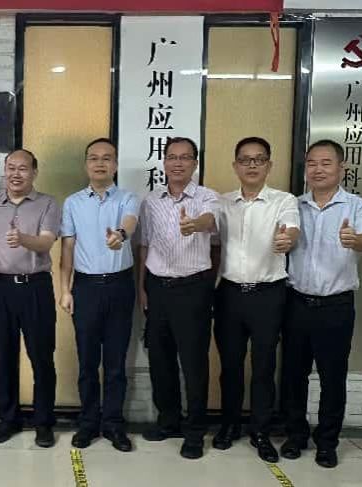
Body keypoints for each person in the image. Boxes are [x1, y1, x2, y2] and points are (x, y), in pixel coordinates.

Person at [281, 139, 362, 469]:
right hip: (296, 302)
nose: (318, 169)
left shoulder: (358, 206)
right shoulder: (294, 205)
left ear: (341, 168)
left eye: (326, 163)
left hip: (336, 306)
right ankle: (296, 436)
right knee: (293, 375)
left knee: (332, 377)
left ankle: (327, 443)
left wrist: (356, 240)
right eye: (311, 163)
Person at [211, 137, 300, 462]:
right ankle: (230, 424)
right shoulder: (222, 203)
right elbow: (213, 242)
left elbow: (291, 230)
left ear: (269, 165)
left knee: (264, 366)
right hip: (230, 294)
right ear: (235, 166)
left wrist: (286, 239)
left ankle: (260, 431)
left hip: (268, 295)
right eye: (245, 160)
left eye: (259, 159)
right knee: (230, 365)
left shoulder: (284, 200)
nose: (252, 165)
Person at [138, 137, 219, 460]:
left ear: (195, 163)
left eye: (185, 157)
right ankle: (168, 420)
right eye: (172, 157)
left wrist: (194, 224)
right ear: (164, 162)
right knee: (160, 360)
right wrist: (142, 287)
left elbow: (211, 223)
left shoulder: (207, 197)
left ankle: (195, 431)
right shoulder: (151, 201)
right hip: (157, 287)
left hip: (193, 289)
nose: (178, 163)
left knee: (194, 362)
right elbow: (145, 245)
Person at [60, 138, 138, 453]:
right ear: (86, 164)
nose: (100, 163)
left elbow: (130, 222)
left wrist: (120, 234)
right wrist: (65, 289)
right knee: (88, 362)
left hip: (120, 286)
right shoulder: (72, 203)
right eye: (94, 158)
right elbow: (67, 248)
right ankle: (88, 423)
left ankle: (114, 424)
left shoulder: (128, 198)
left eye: (107, 158)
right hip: (86, 288)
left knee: (116, 363)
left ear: (115, 165)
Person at [0, 149, 60, 448]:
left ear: (34, 172)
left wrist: (23, 239)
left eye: (22, 168)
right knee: (5, 356)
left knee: (41, 357)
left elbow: (47, 241)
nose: (16, 174)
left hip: (35, 287)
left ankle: (43, 422)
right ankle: (8, 419)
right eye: (11, 167)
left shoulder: (47, 203)